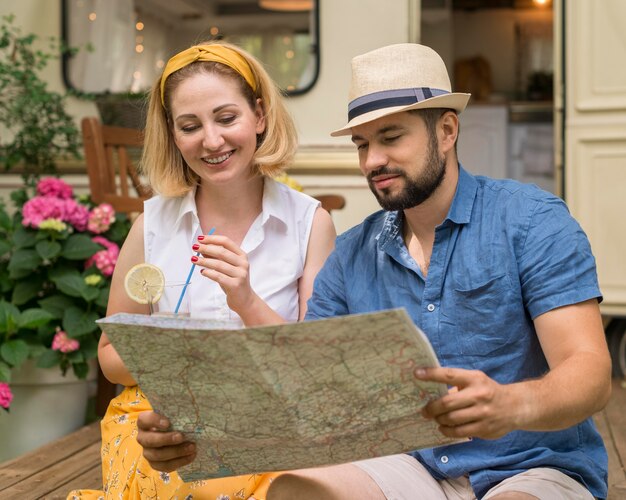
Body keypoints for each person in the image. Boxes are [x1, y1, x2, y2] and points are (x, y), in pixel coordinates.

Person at [135, 43, 612, 500]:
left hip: (531, 464)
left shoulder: (532, 221)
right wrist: (196, 435)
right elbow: (303, 382)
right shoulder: (350, 255)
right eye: (363, 144)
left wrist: (513, 405)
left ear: (447, 131)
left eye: (391, 137)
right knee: (295, 491)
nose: (373, 161)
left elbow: (590, 372)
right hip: (407, 465)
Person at [67, 40, 336, 500]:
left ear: (260, 115)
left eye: (227, 118)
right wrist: (164, 350)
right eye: (190, 126)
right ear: (173, 134)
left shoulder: (310, 223)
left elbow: (310, 370)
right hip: (163, 419)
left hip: (270, 418)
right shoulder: (152, 225)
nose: (211, 141)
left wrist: (246, 301)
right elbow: (110, 359)